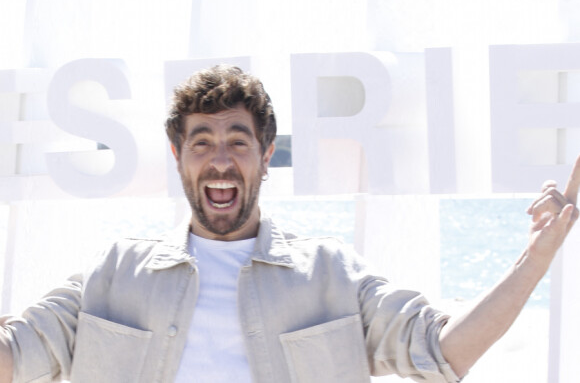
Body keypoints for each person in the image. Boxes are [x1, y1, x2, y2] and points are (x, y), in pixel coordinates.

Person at [0, 64, 577, 382]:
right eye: (201, 142)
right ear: (177, 156)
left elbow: (443, 350)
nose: (220, 159)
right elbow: (14, 357)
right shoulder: (113, 274)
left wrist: (536, 259)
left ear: (267, 153)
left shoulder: (331, 276)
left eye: (237, 141)